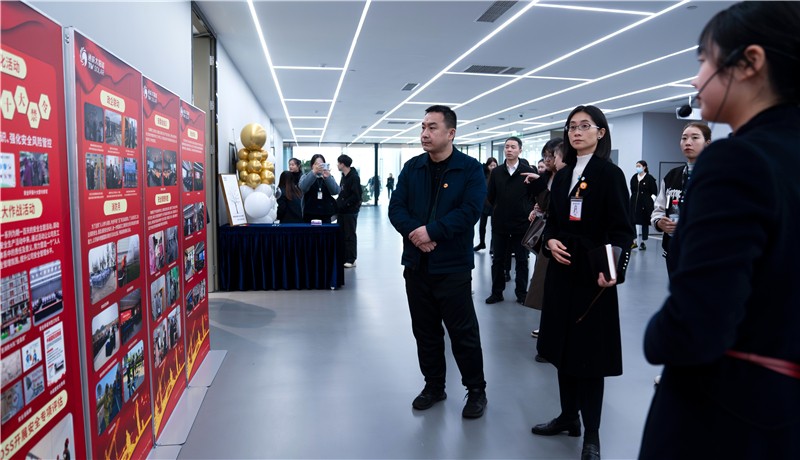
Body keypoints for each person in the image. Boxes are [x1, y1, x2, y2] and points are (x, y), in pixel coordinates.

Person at [639, 3, 800, 458]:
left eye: (704, 61)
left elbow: (697, 323)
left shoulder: (737, 159)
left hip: (727, 411)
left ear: (750, 62)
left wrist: (657, 337)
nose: (696, 80)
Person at [531, 105, 633, 460]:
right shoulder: (563, 176)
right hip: (561, 272)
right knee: (561, 350)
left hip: (593, 275)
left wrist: (613, 269)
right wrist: (550, 240)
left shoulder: (610, 174)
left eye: (584, 126)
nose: (576, 132)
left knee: (590, 357)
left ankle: (592, 433)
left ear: (600, 132)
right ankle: (567, 417)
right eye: (571, 126)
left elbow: (623, 230)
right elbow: (553, 221)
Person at [388, 105, 488, 419]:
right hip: (416, 265)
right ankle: (434, 385)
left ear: (450, 133)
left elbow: (470, 211)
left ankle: (476, 390)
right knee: (425, 331)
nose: (424, 133)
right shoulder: (412, 167)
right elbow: (396, 208)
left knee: (463, 332)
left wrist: (431, 231)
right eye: (423, 127)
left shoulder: (470, 169)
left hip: (452, 267)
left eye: (432, 127)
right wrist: (416, 234)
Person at [485, 137, 536, 305]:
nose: (509, 149)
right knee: (498, 260)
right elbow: (491, 196)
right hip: (500, 223)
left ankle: (522, 293)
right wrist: (500, 208)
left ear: (520, 150)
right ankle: (496, 292)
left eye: (513, 147)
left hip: (521, 223)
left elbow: (533, 196)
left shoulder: (527, 171)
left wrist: (526, 210)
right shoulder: (497, 172)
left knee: (522, 260)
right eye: (507, 147)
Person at [649, 122, 711, 262]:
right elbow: (658, 209)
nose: (688, 142)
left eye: (695, 138)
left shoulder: (717, 175)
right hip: (674, 252)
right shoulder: (672, 176)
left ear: (707, 143)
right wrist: (660, 223)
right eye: (684, 138)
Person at [523, 139, 564, 344]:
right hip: (546, 235)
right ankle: (548, 324)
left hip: (559, 237)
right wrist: (536, 208)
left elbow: (552, 204)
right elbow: (543, 203)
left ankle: (553, 327)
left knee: (554, 284)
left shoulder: (565, 177)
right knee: (543, 281)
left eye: (552, 155)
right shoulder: (547, 176)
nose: (548, 160)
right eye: (545, 156)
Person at [336, 154, 362, 268]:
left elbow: (356, 195)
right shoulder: (344, 177)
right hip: (342, 211)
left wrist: (345, 204)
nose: (337, 165)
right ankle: (344, 257)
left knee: (350, 235)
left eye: (338, 163)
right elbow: (342, 192)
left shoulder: (354, 177)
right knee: (342, 234)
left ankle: (351, 259)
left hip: (350, 211)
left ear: (343, 164)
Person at [299, 154, 340, 223]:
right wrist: (313, 173)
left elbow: (335, 191)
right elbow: (303, 188)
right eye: (317, 164)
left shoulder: (328, 177)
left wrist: (327, 177)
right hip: (309, 214)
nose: (319, 166)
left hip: (326, 214)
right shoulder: (306, 176)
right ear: (312, 166)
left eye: (322, 164)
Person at [629, 160, 657, 250]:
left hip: (645, 204)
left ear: (644, 167)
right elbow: (632, 189)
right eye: (636, 166)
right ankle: (634, 241)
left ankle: (643, 242)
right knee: (632, 221)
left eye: (639, 166)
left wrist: (650, 201)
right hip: (634, 203)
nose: (637, 168)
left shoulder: (649, 178)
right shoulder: (634, 177)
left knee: (644, 222)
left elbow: (654, 192)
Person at [473, 157, 498, 252]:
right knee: (482, 225)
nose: (493, 167)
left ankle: (493, 246)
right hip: (484, 204)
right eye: (491, 165)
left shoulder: (498, 175)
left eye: (494, 165)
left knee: (494, 227)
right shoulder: (484, 174)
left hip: (494, 204)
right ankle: (482, 243)